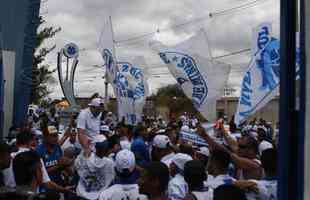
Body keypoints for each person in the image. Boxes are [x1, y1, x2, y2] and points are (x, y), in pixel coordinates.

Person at [75, 134, 115, 200]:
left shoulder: (83, 159)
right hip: (99, 197)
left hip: (82, 195)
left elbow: (76, 166)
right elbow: (112, 179)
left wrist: (86, 149)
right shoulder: (110, 163)